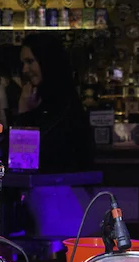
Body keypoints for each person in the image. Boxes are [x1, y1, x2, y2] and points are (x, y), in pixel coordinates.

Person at [12, 33, 95, 172]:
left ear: (46, 61)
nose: (24, 70)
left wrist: (24, 113)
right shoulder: (53, 100)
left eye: (30, 61)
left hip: (56, 189)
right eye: (23, 63)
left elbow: (21, 161)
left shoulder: (61, 106)